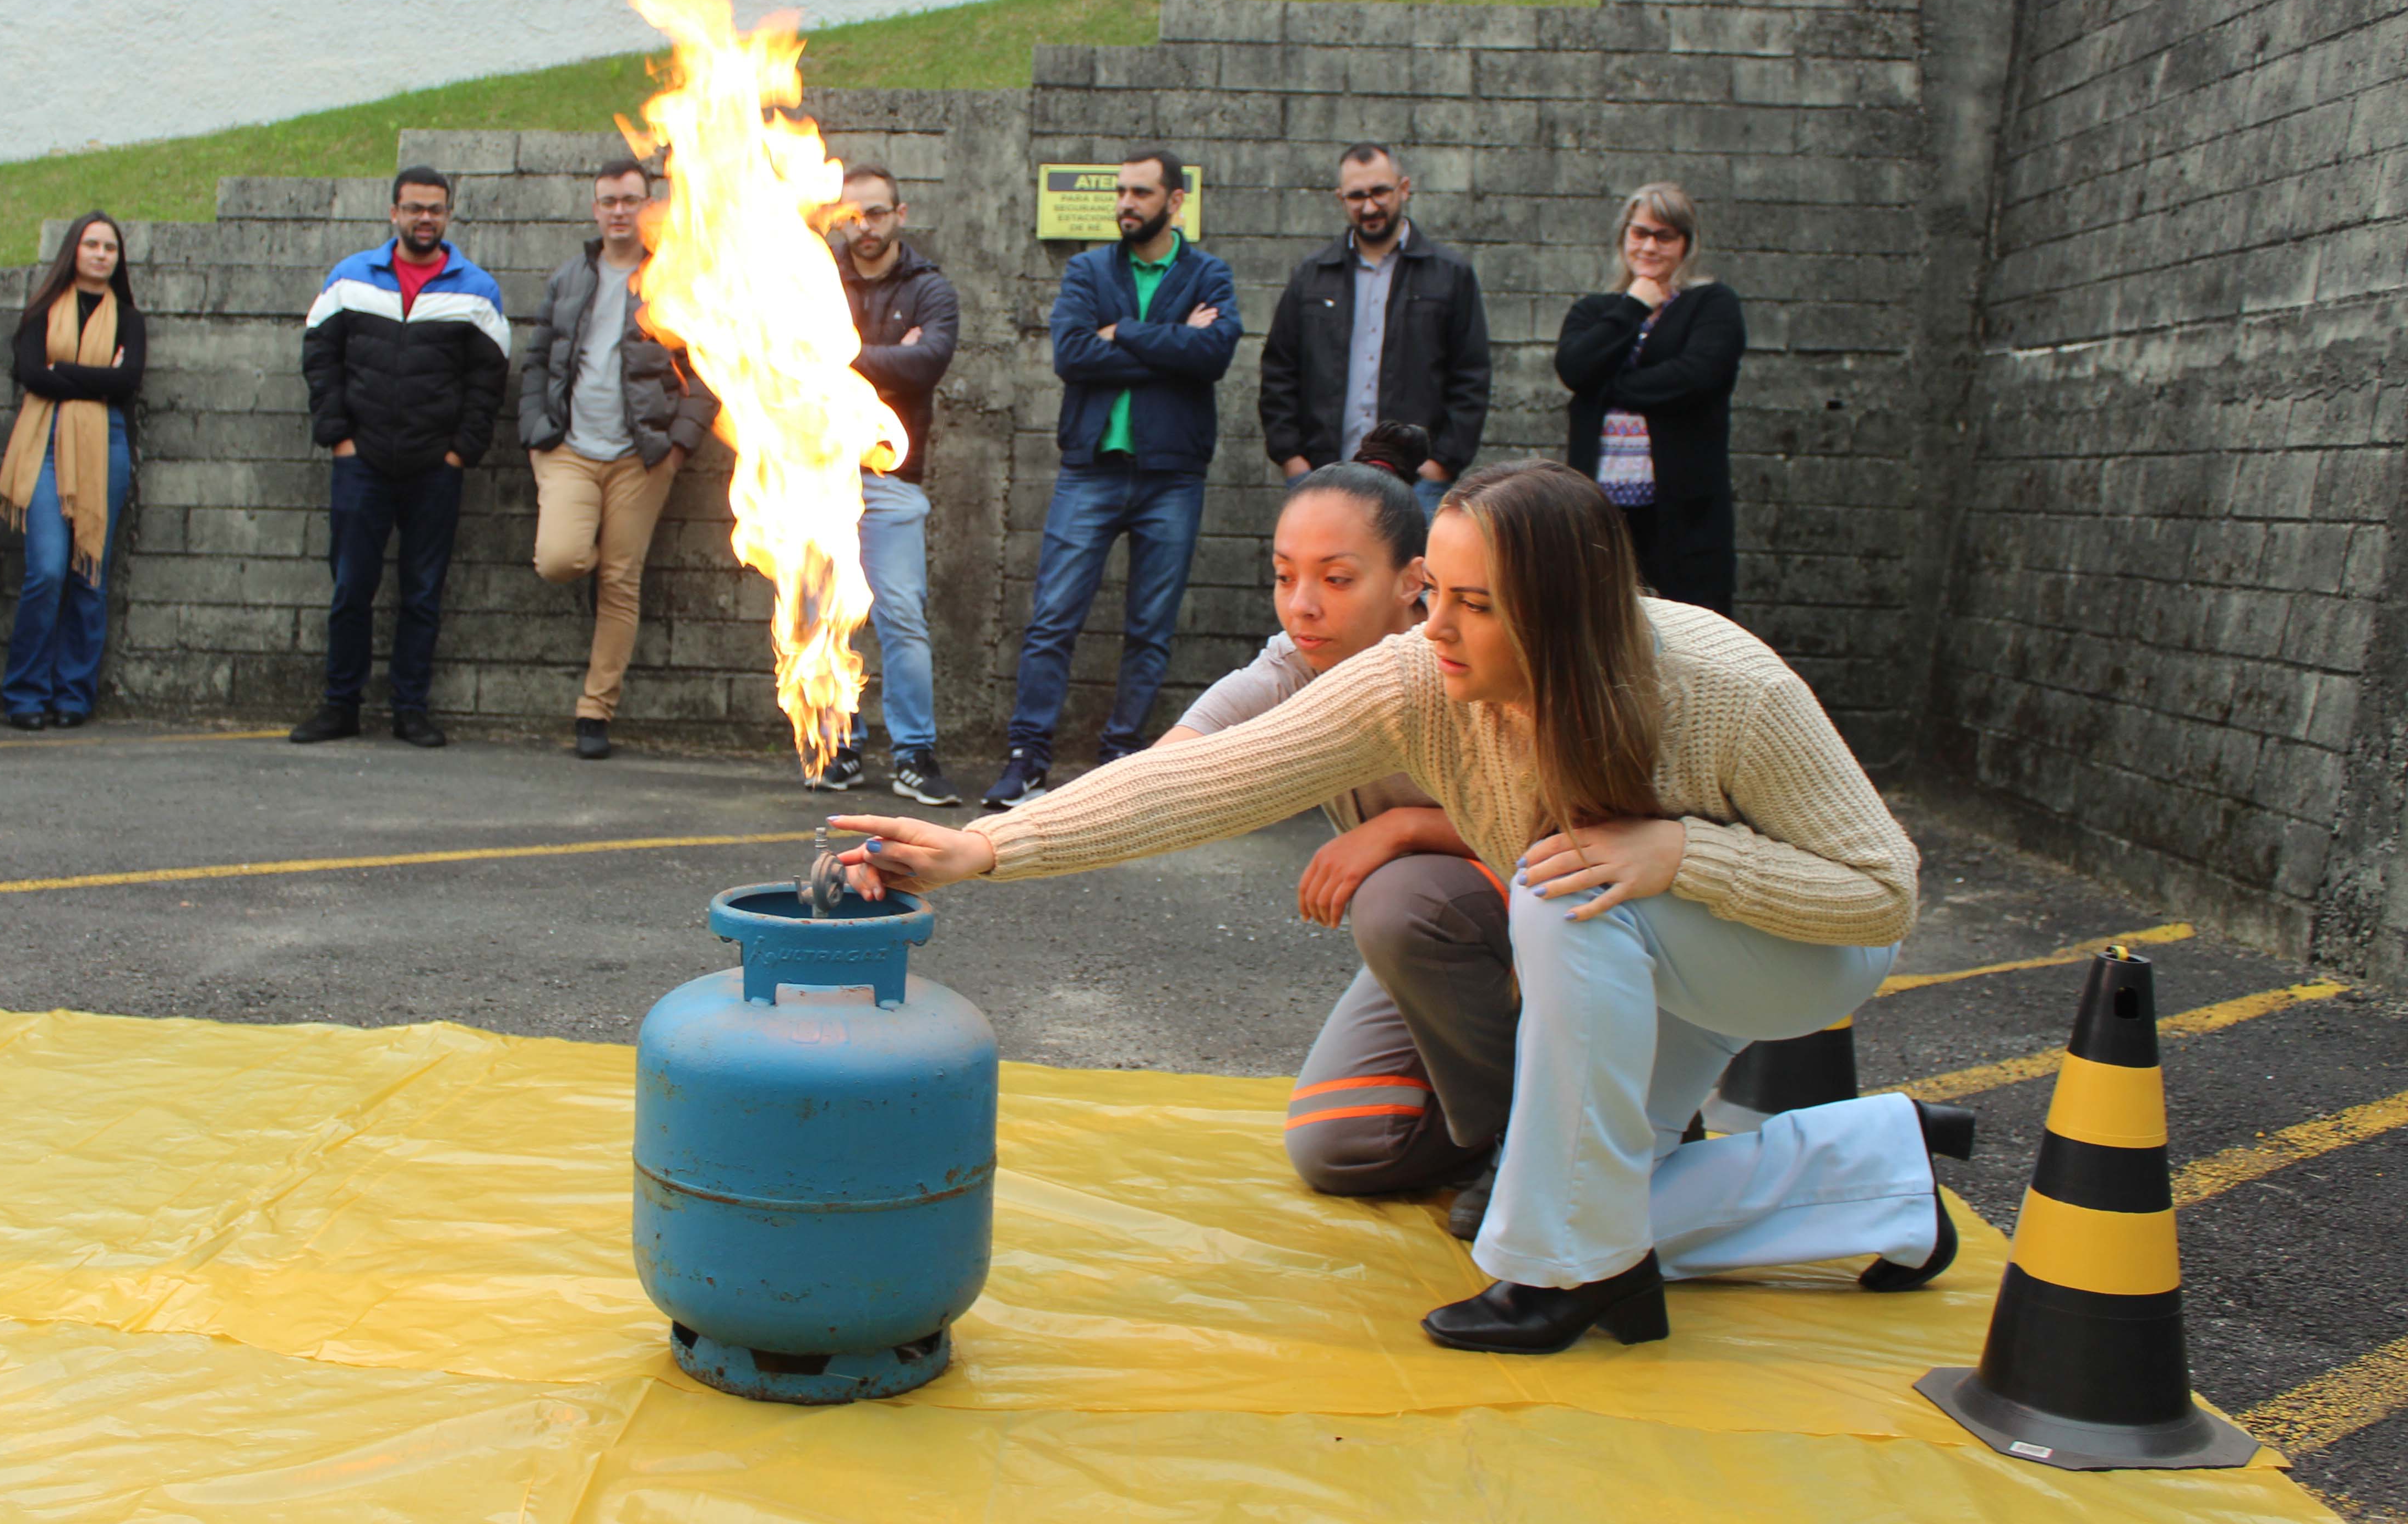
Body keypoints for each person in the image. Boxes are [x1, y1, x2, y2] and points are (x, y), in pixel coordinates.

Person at [831, 460, 1970, 1356]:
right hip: (1643, 942)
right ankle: (1877, 1182)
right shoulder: (1422, 679)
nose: (1434, 630)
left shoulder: (1725, 687)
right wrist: (987, 846)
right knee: (1605, 1184)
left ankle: (1559, 1276)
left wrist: (1683, 852)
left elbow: (1882, 896)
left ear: (1568, 615)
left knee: (1555, 886)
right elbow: (1199, 782)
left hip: (1795, 952)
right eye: (1435, 594)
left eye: (1474, 606)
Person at [1163, 422, 1516, 1236]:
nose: (1304, 605)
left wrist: (1400, 828)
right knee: (1342, 1147)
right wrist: (978, 850)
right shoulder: (1296, 662)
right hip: (1453, 936)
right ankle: (1509, 1107)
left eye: (1337, 578)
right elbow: (1164, 769)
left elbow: (1560, 824)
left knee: (1399, 899)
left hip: (1557, 905)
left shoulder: (1471, 653)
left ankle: (1540, 1141)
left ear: (1412, 582)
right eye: (1285, 577)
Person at [983, 150, 1240, 811]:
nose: (1126, 203)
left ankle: (1121, 760)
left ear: (1174, 202)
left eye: (1141, 192)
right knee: (1052, 620)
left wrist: (1123, 332)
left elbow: (1212, 356)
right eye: (1121, 191)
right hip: (1092, 469)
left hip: (1172, 476)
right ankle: (1027, 757)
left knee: (1151, 627)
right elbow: (1073, 355)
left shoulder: (1208, 272)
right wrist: (1169, 342)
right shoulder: (1089, 269)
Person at [292, 165, 508, 750]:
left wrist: (461, 453)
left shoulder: (477, 290)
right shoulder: (349, 279)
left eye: (435, 209)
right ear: (393, 213)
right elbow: (319, 357)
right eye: (414, 208)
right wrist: (338, 437)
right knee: (350, 588)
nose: (424, 219)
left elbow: (489, 383)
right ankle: (341, 705)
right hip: (360, 464)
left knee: (422, 592)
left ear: (448, 215)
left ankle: (411, 709)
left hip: (434, 469)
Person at [520, 158, 717, 761]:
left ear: (647, 207)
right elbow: (536, 360)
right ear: (595, 208)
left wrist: (678, 447)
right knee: (561, 558)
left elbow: (711, 373)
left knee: (620, 583)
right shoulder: (569, 279)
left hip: (642, 457)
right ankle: (586, 540)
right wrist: (535, 432)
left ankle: (595, 709)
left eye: (630, 199)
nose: (619, 210)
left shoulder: (676, 283)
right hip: (570, 451)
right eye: (609, 200)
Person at [811, 161, 961, 805]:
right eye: (852, 214)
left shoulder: (931, 288)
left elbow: (926, 363)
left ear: (900, 215)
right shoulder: (812, 275)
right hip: (815, 474)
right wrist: (885, 359)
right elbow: (785, 360)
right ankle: (836, 747)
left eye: (876, 213)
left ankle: (914, 756)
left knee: (901, 614)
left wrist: (834, 357)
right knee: (822, 615)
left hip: (892, 479)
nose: (863, 226)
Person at [1259, 144, 1490, 514]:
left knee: (1413, 574)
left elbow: (1471, 376)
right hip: (1324, 479)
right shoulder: (1313, 275)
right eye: (1356, 196)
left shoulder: (1450, 274)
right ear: (1340, 198)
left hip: (1417, 482)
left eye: (1380, 192)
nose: (1369, 207)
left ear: (1404, 188)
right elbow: (1279, 370)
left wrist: (1440, 464)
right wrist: (1293, 460)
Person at [1556, 182, 1745, 614]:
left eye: (1665, 236)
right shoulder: (1596, 310)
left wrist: (1607, 387)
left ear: (1686, 244)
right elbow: (1575, 369)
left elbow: (1696, 376)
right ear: (1624, 236)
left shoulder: (1712, 304)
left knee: (1691, 637)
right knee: (1597, 631)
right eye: (1640, 233)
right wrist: (1633, 306)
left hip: (1682, 515)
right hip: (1601, 514)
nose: (1650, 246)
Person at [0, 211, 144, 730]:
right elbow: (33, 375)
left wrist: (67, 373)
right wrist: (95, 379)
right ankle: (25, 693)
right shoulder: (41, 311)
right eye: (92, 245)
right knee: (48, 571)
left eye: (110, 247)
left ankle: (73, 695)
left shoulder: (128, 317)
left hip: (106, 444)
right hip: (45, 443)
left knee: (90, 575)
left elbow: (128, 382)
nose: (102, 254)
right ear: (73, 252)